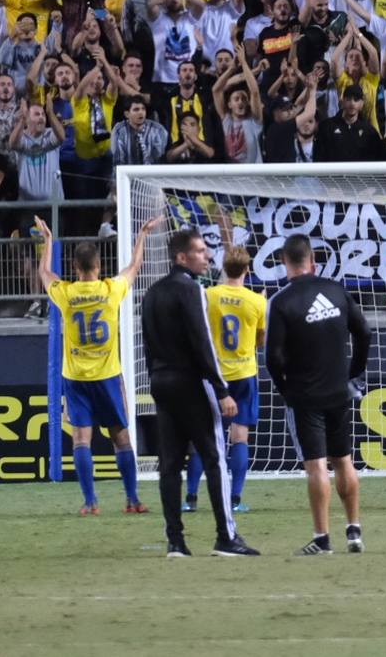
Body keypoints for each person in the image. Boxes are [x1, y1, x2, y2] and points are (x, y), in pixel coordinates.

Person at [141, 227, 259, 557]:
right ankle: (226, 536)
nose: (207, 256)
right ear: (182, 257)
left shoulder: (151, 293)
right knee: (214, 457)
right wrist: (222, 390)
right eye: (200, 250)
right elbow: (202, 342)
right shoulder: (192, 290)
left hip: (161, 384)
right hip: (191, 384)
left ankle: (175, 541)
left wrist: (157, 379)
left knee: (170, 464)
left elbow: (148, 345)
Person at [36, 215, 160, 515]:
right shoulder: (110, 289)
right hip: (107, 376)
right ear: (99, 266)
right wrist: (142, 235)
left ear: (76, 268)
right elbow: (133, 268)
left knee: (81, 438)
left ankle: (91, 503)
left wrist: (48, 241)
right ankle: (132, 500)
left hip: (76, 377)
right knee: (120, 437)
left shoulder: (65, 293)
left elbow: (44, 273)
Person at [266, 234, 371, 555]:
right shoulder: (336, 290)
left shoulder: (282, 302)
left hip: (305, 395)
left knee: (316, 466)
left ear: (285, 262)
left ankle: (322, 538)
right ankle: (354, 531)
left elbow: (273, 358)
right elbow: (364, 332)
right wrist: (352, 372)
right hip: (338, 391)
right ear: (313, 261)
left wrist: (287, 391)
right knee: (343, 460)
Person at [184, 242, 266, 514]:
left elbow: (197, 329)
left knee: (201, 436)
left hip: (212, 375)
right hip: (243, 374)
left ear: (224, 267)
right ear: (247, 268)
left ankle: (192, 497)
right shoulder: (257, 300)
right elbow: (261, 341)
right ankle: (235, 499)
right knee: (239, 436)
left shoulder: (208, 295)